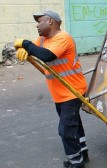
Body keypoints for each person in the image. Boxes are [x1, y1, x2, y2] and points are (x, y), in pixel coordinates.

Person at [14, 10, 89, 168]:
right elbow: (35, 49)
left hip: (72, 91)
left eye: (40, 21)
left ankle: (76, 162)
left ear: (50, 22)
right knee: (73, 123)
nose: (37, 25)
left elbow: (47, 55)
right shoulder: (43, 39)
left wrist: (26, 44)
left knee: (66, 129)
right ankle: (83, 153)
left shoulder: (63, 38)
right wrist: (25, 50)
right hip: (60, 93)